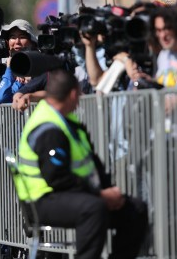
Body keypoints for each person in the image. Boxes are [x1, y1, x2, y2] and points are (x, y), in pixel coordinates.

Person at [16, 69, 148, 259]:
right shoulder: (49, 127)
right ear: (72, 94)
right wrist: (101, 194)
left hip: (68, 192)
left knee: (135, 210)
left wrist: (110, 190)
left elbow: (92, 161)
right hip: (44, 199)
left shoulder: (66, 120)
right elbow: (57, 178)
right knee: (94, 208)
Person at [0, 19, 38, 105]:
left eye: (22, 37)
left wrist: (9, 70)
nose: (17, 42)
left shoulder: (38, 66)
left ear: (32, 43)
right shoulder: (0, 64)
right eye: (13, 37)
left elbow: (2, 98)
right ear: (7, 42)